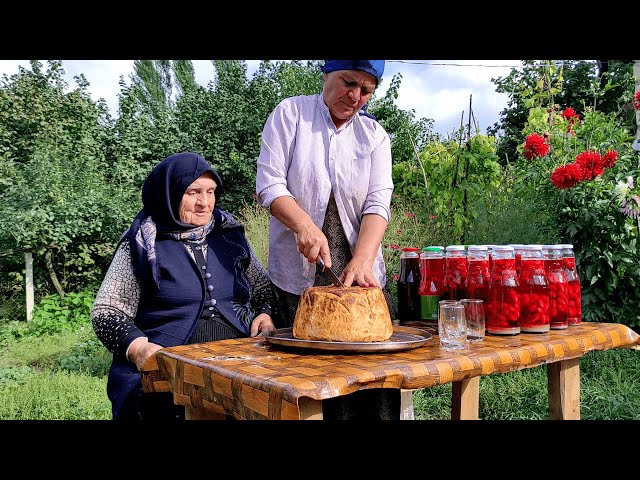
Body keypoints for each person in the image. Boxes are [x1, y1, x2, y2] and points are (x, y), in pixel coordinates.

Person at [255, 60, 398, 419]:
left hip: (360, 285)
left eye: (366, 90)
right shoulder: (290, 115)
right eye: (348, 83)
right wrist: (303, 225)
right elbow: (269, 184)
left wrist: (364, 259)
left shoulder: (375, 137)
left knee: (373, 396)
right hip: (299, 283)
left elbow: (378, 202)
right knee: (311, 397)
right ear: (326, 74)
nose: (355, 96)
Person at [92, 151, 278, 421]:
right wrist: (139, 348)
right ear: (169, 193)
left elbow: (262, 288)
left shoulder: (230, 234)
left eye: (211, 191)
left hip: (242, 361)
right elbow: (107, 311)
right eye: (193, 192)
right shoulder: (142, 243)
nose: (205, 203)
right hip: (168, 367)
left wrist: (264, 313)